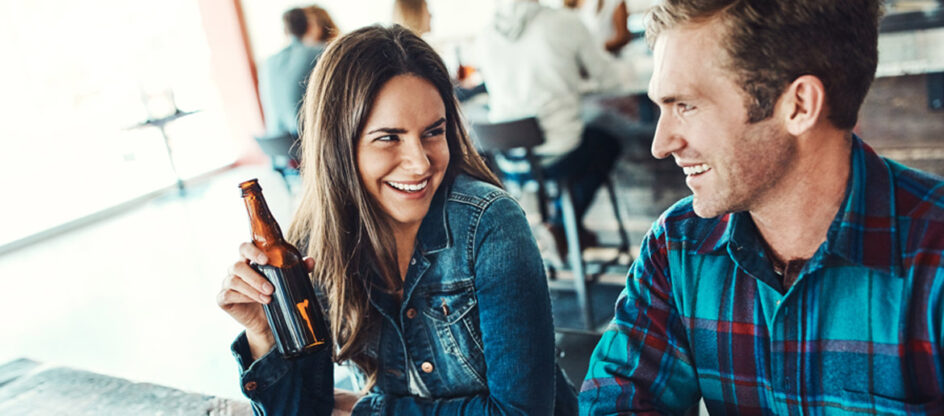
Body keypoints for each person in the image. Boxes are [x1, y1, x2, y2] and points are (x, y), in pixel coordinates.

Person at [580, 0, 944, 414]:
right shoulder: (678, 245)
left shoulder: (935, 256)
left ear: (799, 106)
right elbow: (614, 401)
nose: (661, 144)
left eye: (686, 105)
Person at [218, 25, 578, 415]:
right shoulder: (314, 241)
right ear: (339, 147)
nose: (420, 163)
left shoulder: (489, 223)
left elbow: (522, 413)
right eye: (389, 137)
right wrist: (263, 335)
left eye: (433, 132)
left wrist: (371, 411)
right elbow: (303, 411)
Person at [477, 0, 622, 260]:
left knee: (586, 146)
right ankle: (563, 225)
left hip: (509, 160)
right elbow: (609, 77)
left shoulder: (485, 34)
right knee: (607, 146)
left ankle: (564, 228)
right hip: (560, 156)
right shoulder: (563, 22)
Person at [257, 5, 337, 138]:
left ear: (285, 31)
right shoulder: (321, 53)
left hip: (278, 146)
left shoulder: (268, 62)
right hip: (306, 141)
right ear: (311, 26)